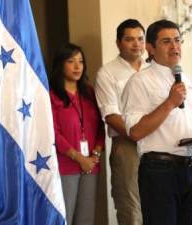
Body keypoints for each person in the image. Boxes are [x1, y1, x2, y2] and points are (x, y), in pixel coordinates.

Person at [121, 19, 192, 225]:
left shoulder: (190, 81)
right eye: (166, 41)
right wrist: (170, 103)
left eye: (177, 40)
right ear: (150, 48)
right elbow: (136, 132)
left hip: (191, 167)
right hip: (159, 171)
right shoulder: (139, 82)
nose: (175, 46)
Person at [95, 19, 148, 225]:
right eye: (129, 39)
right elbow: (111, 115)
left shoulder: (153, 69)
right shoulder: (107, 73)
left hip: (157, 144)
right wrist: (138, 133)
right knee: (130, 207)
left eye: (140, 39)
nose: (136, 44)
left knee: (156, 203)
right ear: (118, 43)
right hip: (127, 144)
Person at [49, 43, 105, 225]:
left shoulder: (89, 92)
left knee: (86, 219)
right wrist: (79, 157)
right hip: (66, 165)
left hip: (91, 164)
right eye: (71, 61)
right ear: (60, 64)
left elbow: (101, 126)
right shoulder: (50, 95)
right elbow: (53, 133)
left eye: (81, 62)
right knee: (65, 217)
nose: (77, 66)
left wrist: (95, 153)